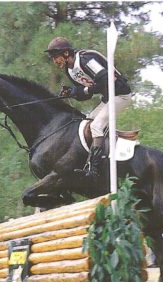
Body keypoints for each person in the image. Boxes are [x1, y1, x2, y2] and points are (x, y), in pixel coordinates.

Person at [45, 36, 133, 178]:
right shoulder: (70, 70)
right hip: (108, 98)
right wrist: (71, 93)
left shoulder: (85, 59)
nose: (55, 61)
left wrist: (81, 90)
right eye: (53, 58)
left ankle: (94, 169)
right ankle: (101, 155)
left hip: (121, 95)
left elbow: (105, 80)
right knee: (86, 124)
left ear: (66, 53)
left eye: (56, 57)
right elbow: (86, 95)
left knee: (95, 126)